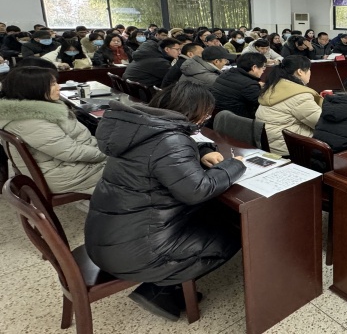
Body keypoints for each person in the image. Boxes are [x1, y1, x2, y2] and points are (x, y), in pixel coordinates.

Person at [84, 81, 246, 321]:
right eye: (206, 114)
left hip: (106, 237)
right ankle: (160, 290)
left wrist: (202, 152)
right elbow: (198, 190)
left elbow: (164, 156)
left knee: (210, 215)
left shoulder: (141, 128)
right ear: (193, 111)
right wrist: (234, 166)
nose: (206, 119)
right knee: (231, 234)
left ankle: (167, 283)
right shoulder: (169, 140)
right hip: (133, 252)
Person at [0, 66, 106, 194]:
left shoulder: (36, 111)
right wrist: (107, 154)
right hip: (64, 175)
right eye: (52, 84)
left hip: (64, 165)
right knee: (126, 167)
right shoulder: (31, 122)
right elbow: (71, 152)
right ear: (34, 88)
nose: (58, 87)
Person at [255, 55, 322, 156]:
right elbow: (320, 123)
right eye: (309, 69)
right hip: (288, 148)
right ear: (300, 72)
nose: (310, 73)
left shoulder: (274, 86)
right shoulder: (299, 95)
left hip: (269, 144)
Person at [210, 52, 266, 119]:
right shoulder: (249, 85)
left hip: (218, 114)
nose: (263, 71)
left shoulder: (226, 73)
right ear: (254, 67)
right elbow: (262, 103)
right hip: (238, 118)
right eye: (263, 68)